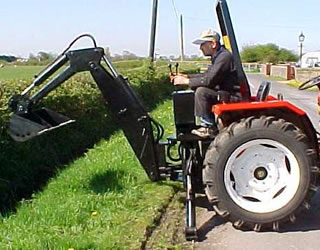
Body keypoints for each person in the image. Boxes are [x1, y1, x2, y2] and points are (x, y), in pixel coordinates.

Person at [171, 29, 240, 138]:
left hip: (233, 96)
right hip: (226, 93)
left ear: (213, 44)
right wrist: (187, 76)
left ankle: (208, 127)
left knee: (202, 91)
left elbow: (208, 81)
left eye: (203, 44)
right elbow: (207, 75)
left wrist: (186, 82)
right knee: (200, 89)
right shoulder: (218, 57)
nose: (200, 48)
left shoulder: (224, 57)